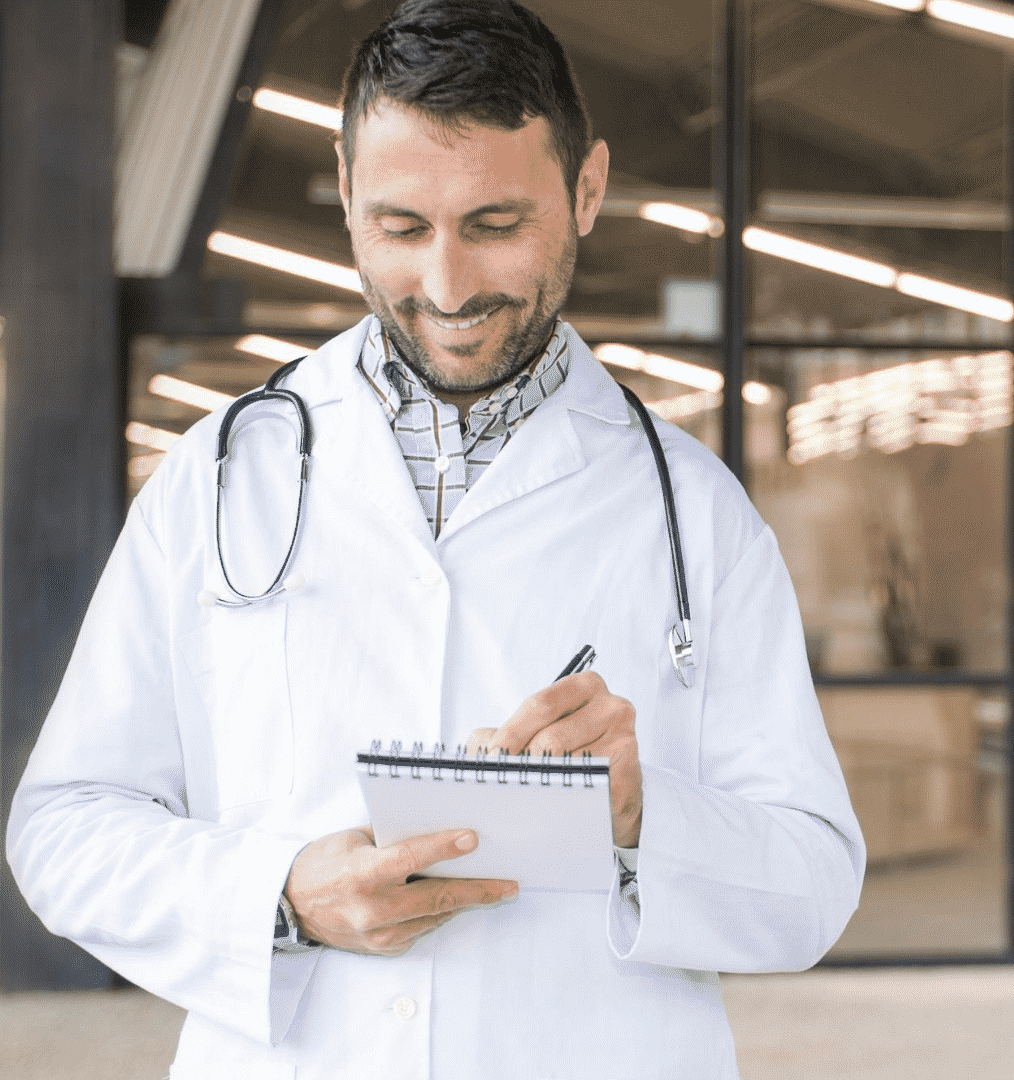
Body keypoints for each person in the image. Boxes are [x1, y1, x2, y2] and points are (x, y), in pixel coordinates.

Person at [5, 2, 863, 1077]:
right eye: (401, 228)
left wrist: (647, 816)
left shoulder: (697, 512)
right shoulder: (219, 478)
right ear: (347, 188)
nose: (449, 288)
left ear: (586, 190)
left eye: (497, 224)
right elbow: (65, 828)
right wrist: (278, 896)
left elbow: (815, 882)